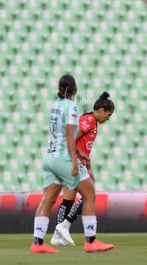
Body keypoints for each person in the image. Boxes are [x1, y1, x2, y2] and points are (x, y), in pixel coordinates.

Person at [30, 75, 114, 253]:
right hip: (64, 158)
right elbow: (70, 135)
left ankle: (38, 243)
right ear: (74, 89)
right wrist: (75, 160)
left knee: (48, 198)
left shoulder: (54, 106)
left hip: (50, 157)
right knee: (89, 194)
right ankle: (90, 241)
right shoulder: (71, 107)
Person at [50, 92, 115, 246]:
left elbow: (85, 147)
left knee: (69, 198)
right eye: (108, 114)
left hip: (75, 162)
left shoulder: (92, 122)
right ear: (101, 110)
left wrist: (89, 167)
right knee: (89, 196)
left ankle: (57, 235)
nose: (108, 118)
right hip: (73, 162)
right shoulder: (89, 121)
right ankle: (68, 227)